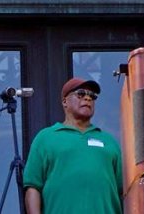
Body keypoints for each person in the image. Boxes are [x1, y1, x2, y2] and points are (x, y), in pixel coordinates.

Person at [23, 77, 123, 214]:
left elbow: (124, 192)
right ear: (65, 101)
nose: (88, 98)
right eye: (81, 94)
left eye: (92, 96)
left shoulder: (109, 142)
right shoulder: (46, 138)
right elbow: (33, 187)